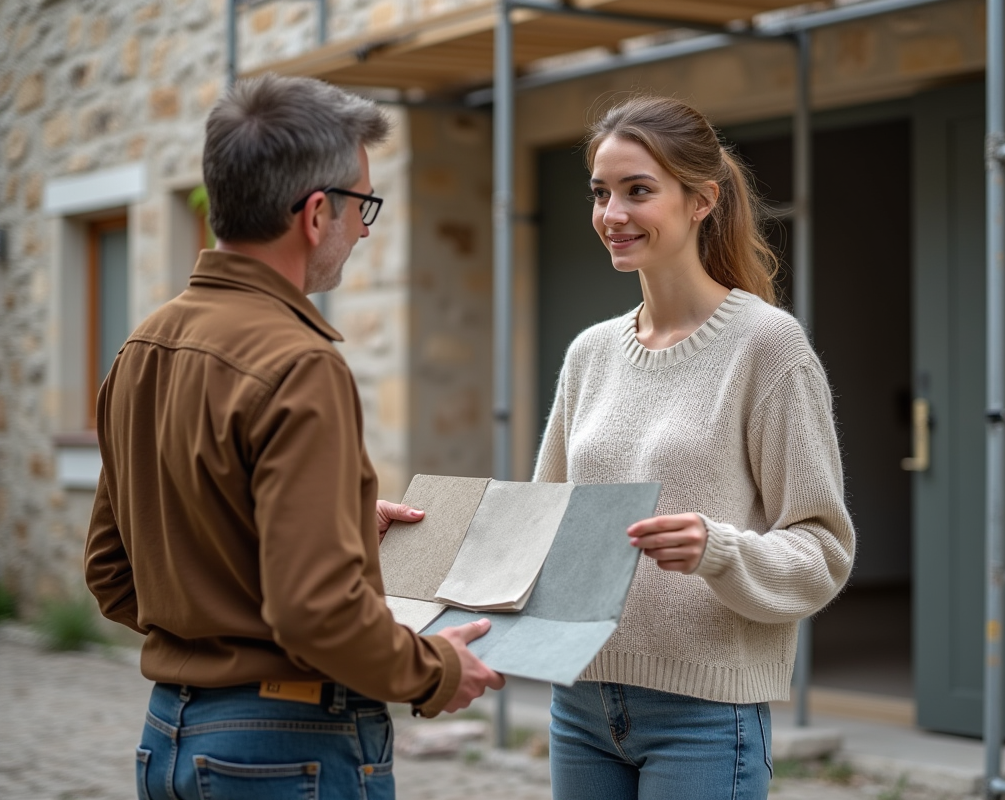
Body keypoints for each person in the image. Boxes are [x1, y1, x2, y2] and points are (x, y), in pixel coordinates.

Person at [84, 74, 504, 800]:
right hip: (288, 750)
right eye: (363, 207)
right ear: (317, 214)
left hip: (168, 738)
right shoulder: (300, 363)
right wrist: (434, 671)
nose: (365, 230)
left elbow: (113, 573)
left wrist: (325, 533)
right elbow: (314, 611)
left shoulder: (141, 348)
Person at [534, 95, 857, 799]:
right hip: (580, 704)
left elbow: (823, 550)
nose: (611, 215)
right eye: (600, 193)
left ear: (701, 199)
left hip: (705, 716)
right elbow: (543, 529)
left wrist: (719, 549)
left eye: (637, 191)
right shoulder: (589, 353)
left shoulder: (768, 347)